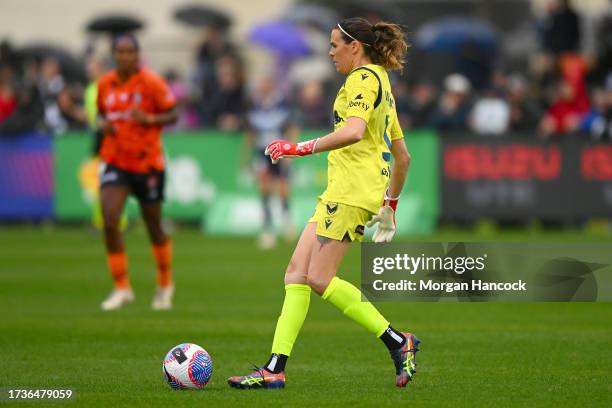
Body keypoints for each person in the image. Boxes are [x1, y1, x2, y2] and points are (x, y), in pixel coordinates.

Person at [228, 17, 419, 390]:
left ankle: (399, 341)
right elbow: (403, 156)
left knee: (318, 278)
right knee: (296, 274)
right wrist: (390, 206)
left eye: (335, 45)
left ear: (355, 47)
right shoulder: (383, 82)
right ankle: (275, 368)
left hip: (351, 191)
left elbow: (353, 131)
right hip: (343, 191)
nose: (330, 52)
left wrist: (298, 148)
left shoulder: (363, 79)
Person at [96, 34, 178, 311]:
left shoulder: (151, 83)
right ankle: (121, 287)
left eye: (130, 52)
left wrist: (150, 119)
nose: (125, 56)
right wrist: (102, 125)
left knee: (153, 225)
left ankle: (165, 284)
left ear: (137, 55)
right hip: (116, 160)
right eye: (120, 51)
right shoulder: (104, 84)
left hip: (147, 163)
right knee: (109, 218)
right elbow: (100, 114)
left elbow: (174, 114)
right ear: (114, 54)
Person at [244, 77, 299, 249]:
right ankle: (268, 228)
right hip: (262, 151)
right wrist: (247, 156)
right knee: (264, 187)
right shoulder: (254, 105)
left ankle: (287, 222)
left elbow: (292, 127)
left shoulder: (282, 103)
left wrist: (291, 150)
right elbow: (250, 132)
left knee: (283, 188)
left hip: (279, 149)